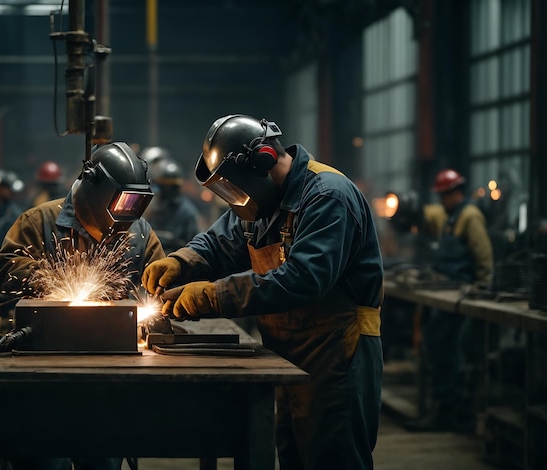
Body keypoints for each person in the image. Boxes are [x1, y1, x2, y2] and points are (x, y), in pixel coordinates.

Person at [141, 114, 384, 470]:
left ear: (264, 163)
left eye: (234, 190)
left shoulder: (328, 196)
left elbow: (303, 278)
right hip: (288, 351)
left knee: (332, 457)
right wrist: (182, 261)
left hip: (336, 351)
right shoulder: (262, 204)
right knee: (294, 456)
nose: (234, 202)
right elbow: (218, 243)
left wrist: (211, 297)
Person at [0, 142, 166, 470]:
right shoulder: (39, 220)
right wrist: (55, 280)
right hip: (43, 376)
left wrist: (155, 305)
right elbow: (4, 271)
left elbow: (160, 285)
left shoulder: (140, 233)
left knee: (102, 458)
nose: (121, 225)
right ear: (92, 190)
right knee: (45, 460)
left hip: (110, 378)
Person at [405, 168, 493, 432]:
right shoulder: (450, 216)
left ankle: (451, 411)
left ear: (456, 193)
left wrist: (482, 289)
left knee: (448, 350)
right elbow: (427, 218)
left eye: (444, 195)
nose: (441, 201)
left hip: (461, 295)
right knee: (436, 345)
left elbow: (484, 257)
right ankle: (444, 408)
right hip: (445, 291)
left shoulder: (470, 216)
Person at [143, 156, 201, 254]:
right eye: (164, 187)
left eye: (171, 187)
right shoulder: (149, 206)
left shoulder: (187, 211)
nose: (168, 191)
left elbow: (193, 245)